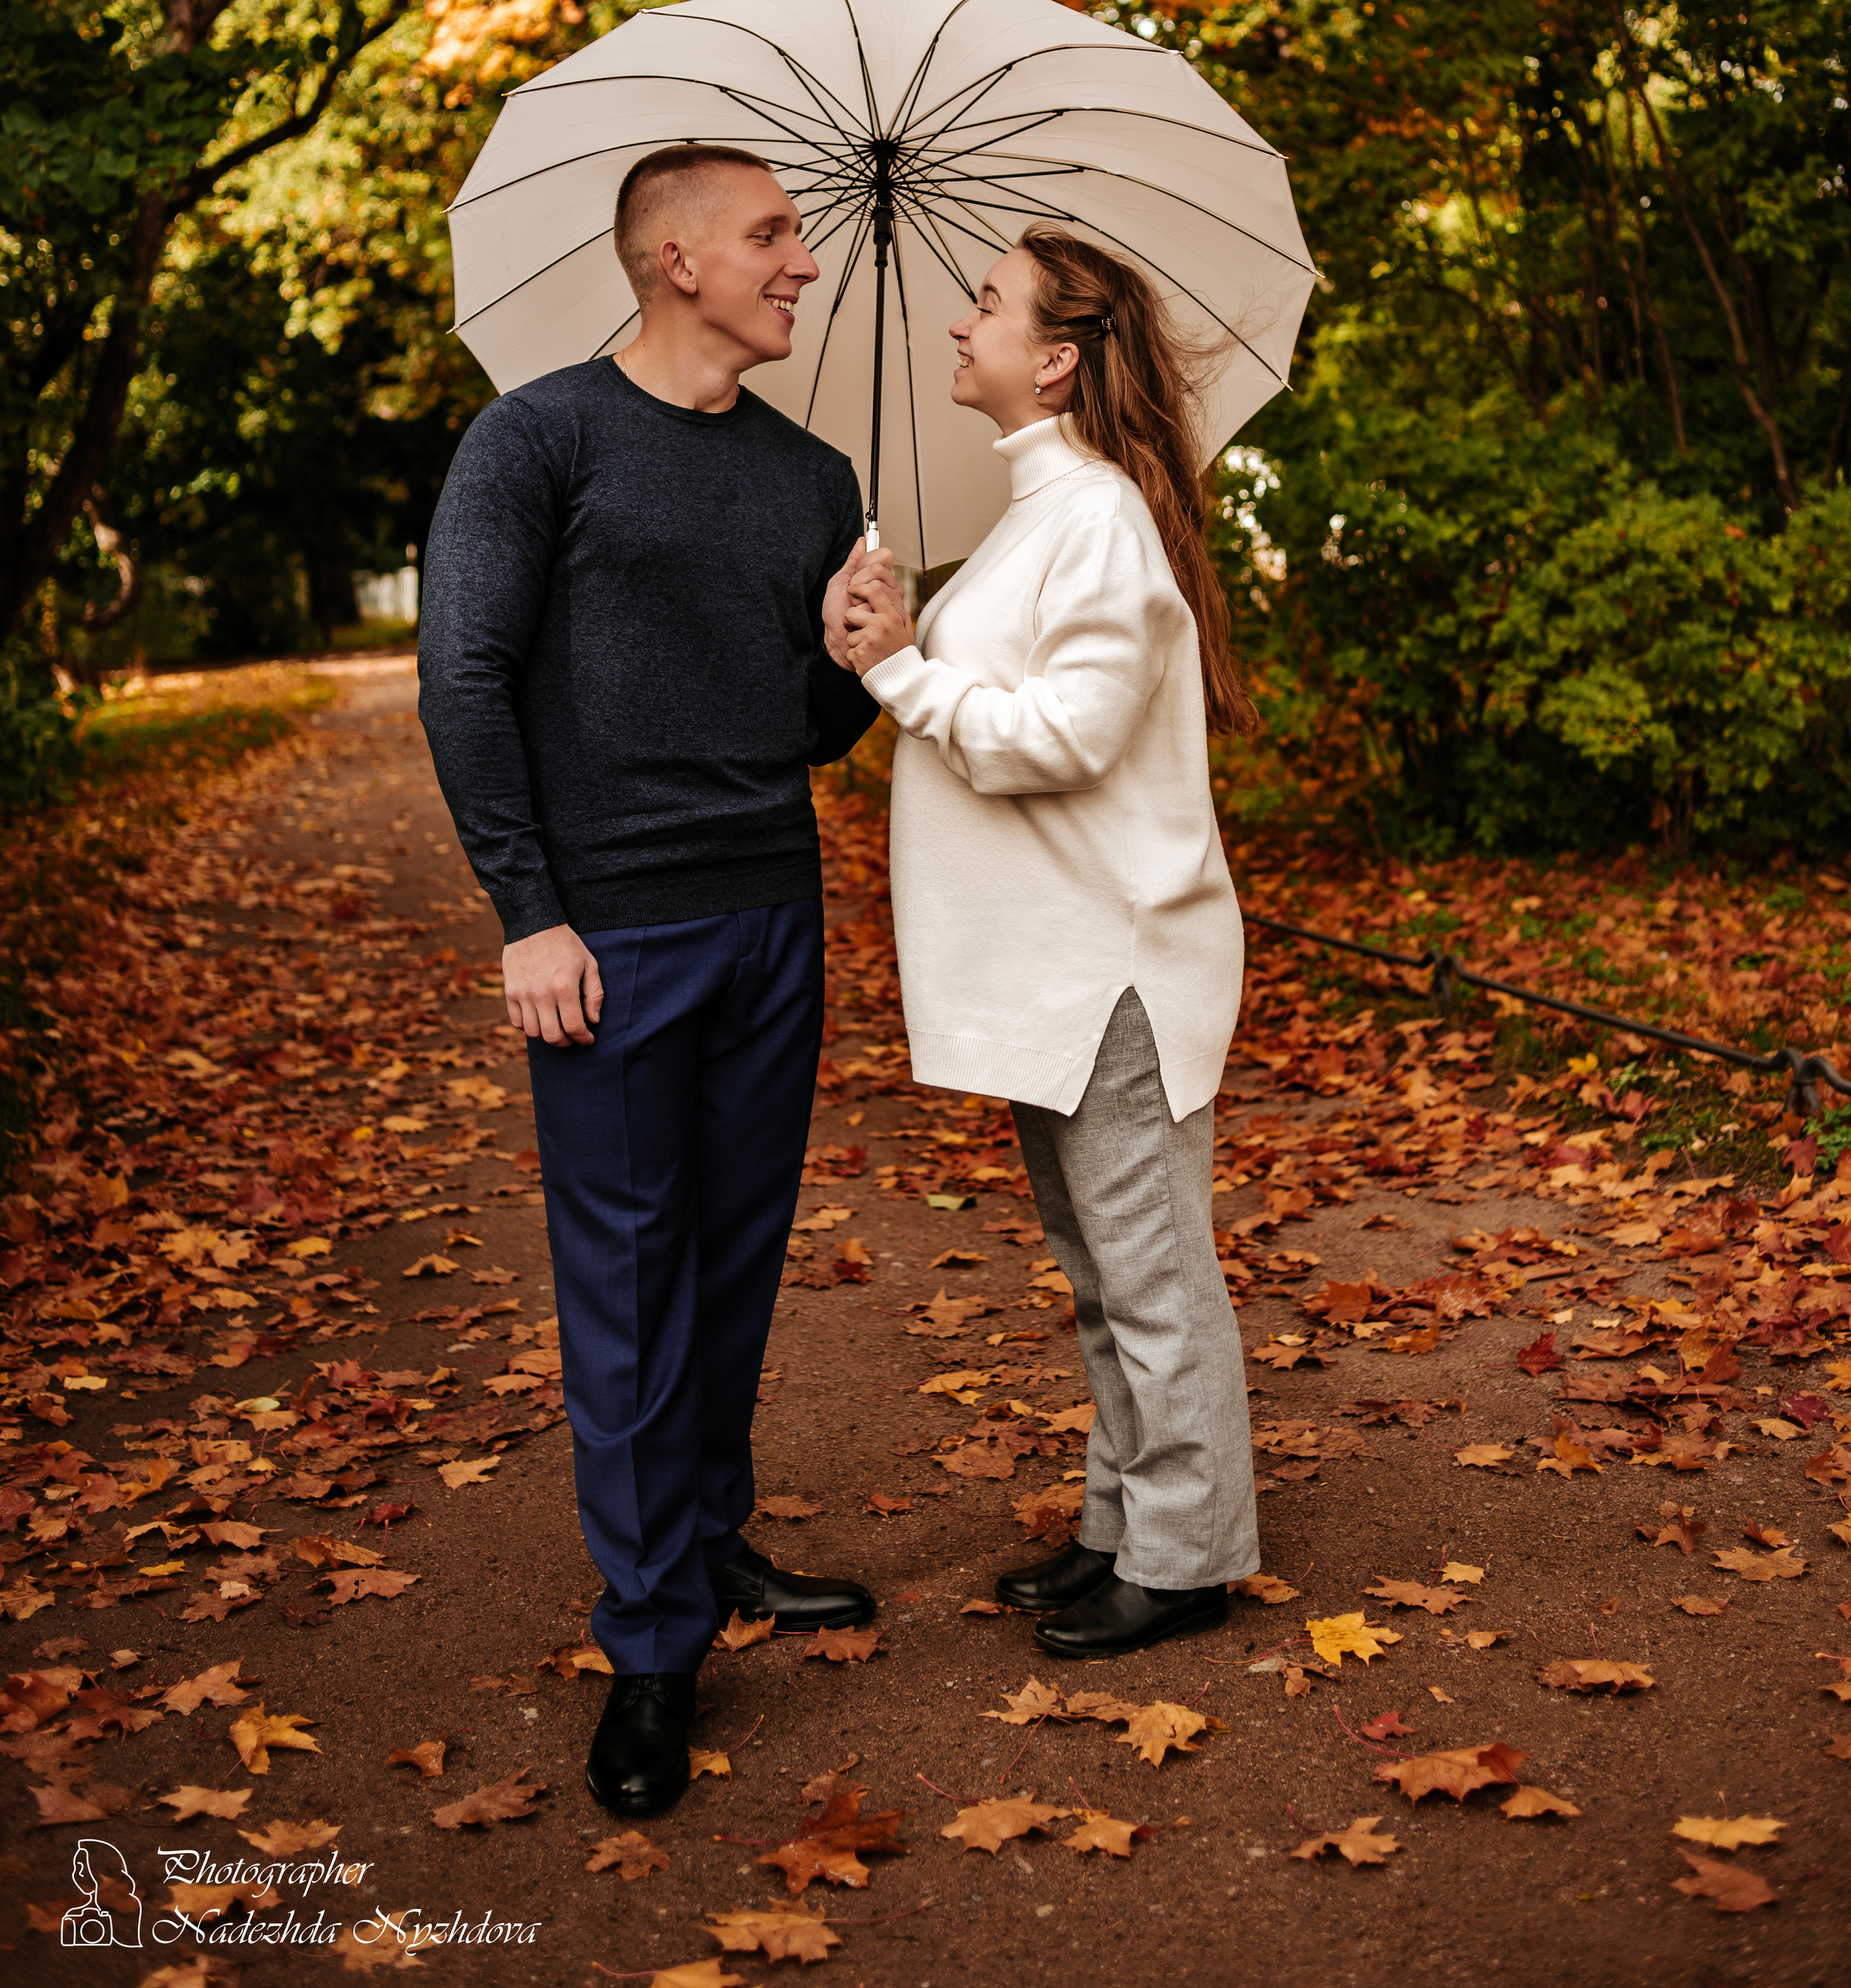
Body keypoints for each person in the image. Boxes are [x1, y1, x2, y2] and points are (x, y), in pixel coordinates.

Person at [419, 142, 882, 1817]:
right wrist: (526, 911)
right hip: (607, 938)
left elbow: (805, 734)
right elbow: (462, 673)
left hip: (770, 916)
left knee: (734, 1263)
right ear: (676, 258)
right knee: (627, 1283)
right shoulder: (535, 439)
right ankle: (651, 1646)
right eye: (772, 235)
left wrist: (859, 655)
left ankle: (703, 1540)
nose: (803, 263)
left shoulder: (815, 477)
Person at [842, 227, 1260, 1657]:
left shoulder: (1095, 517)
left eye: (987, 304)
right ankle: (1122, 1522)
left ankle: (1187, 1555)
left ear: (1059, 358)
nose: (962, 326)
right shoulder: (1039, 511)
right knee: (1103, 1276)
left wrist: (902, 671)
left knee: (1153, 1279)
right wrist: (897, 637)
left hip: (1113, 968)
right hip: (1051, 970)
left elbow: (1066, 738)